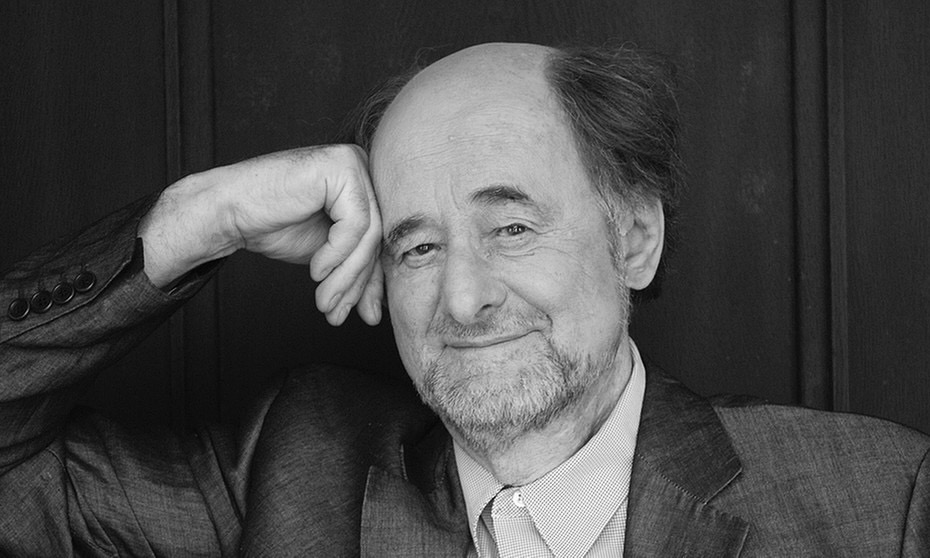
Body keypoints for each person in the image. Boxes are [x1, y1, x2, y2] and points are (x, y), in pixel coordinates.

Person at [1, 42, 927, 557]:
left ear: (635, 238)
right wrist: (199, 219)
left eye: (511, 227)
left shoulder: (881, 506)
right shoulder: (295, 473)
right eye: (417, 246)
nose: (464, 297)